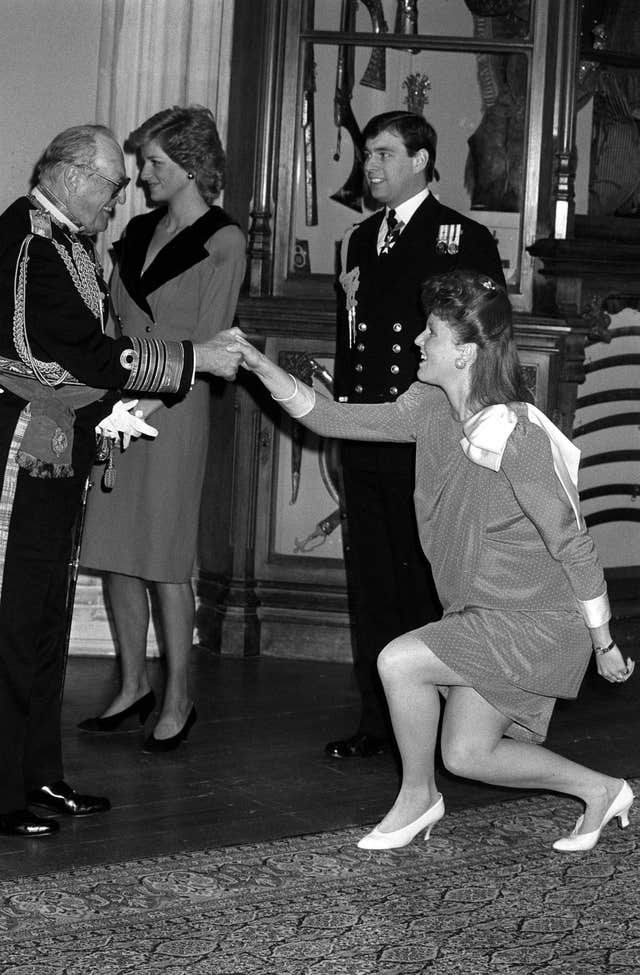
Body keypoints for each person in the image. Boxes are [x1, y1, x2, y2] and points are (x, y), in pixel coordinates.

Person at [226, 268, 635, 853]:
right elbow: (334, 418)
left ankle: (418, 798)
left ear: (465, 354)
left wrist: (604, 642)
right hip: (479, 611)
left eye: (431, 334)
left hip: (535, 619)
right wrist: (265, 369)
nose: (418, 341)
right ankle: (603, 790)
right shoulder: (430, 408)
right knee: (468, 753)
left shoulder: (518, 438)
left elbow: (571, 540)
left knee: (399, 661)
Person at [0, 123, 242, 837]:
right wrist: (191, 361)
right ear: (74, 176)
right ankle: (4, 788)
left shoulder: (64, 236)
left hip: (61, 440)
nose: (119, 197)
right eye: (110, 184)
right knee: (17, 620)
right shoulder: (30, 240)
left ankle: (39, 775)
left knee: (44, 618)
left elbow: (85, 355)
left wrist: (107, 409)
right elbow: (83, 351)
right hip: (26, 447)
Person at [329, 110, 505, 759]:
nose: (370, 167)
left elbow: (481, 344)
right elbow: (355, 342)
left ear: (422, 159)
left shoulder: (461, 236)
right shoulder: (358, 238)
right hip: (368, 432)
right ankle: (380, 719)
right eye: (367, 154)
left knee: (431, 583)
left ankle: (453, 723)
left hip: (427, 436)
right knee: (373, 582)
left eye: (383, 154)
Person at [78, 106, 246, 753]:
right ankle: (132, 685)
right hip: (121, 403)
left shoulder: (223, 241)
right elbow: (116, 329)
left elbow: (212, 345)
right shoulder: (139, 229)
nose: (142, 175)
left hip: (173, 412)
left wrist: (142, 407)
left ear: (192, 167)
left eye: (155, 163)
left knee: (165, 558)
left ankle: (179, 698)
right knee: (118, 550)